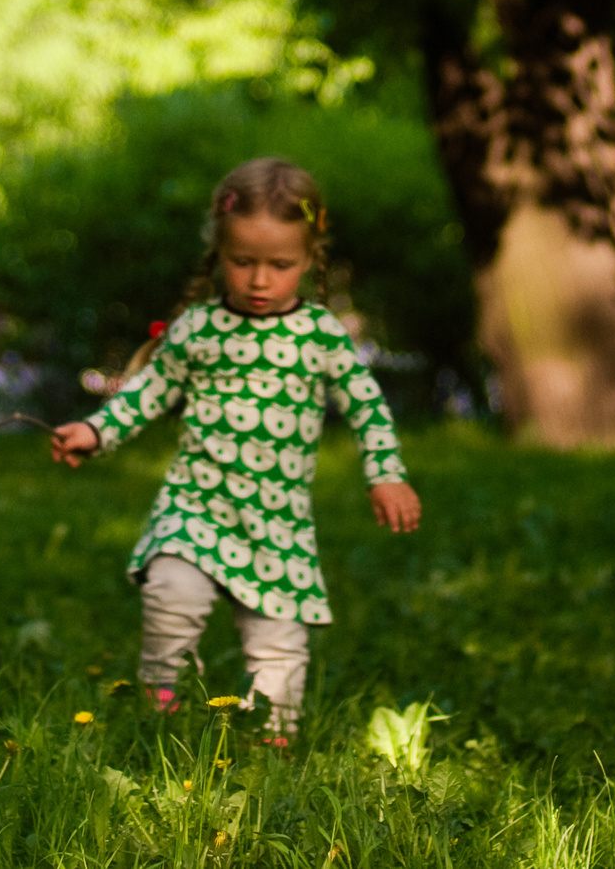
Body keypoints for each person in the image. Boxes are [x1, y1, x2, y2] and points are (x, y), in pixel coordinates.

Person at [51, 158, 421, 743]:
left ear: (310, 257)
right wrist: (97, 433)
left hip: (277, 525)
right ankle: (161, 715)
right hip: (194, 508)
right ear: (218, 253)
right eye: (242, 262)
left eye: (281, 265)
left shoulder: (321, 335)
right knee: (169, 597)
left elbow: (367, 406)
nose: (258, 280)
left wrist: (387, 475)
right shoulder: (198, 328)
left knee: (278, 649)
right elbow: (150, 391)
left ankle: (273, 751)